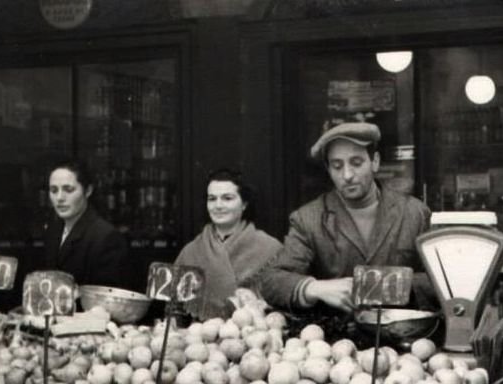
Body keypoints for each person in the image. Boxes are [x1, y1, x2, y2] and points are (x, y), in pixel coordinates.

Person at [259, 122, 433, 313]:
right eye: (337, 166)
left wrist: (379, 285)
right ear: (328, 170)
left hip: (403, 335)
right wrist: (314, 288)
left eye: (356, 163)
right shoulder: (308, 219)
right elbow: (271, 280)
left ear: (374, 162)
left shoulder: (414, 213)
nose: (347, 175)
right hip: (334, 338)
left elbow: (441, 282)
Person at [175, 169, 282, 319]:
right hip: (201, 337)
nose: (218, 205)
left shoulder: (270, 249)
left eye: (227, 198)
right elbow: (176, 311)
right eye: (212, 199)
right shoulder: (190, 252)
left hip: (255, 334)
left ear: (244, 204)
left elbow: (282, 303)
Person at [43, 160, 127, 288]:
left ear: (88, 191)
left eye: (68, 189)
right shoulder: (53, 230)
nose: (59, 198)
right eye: (54, 190)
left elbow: (107, 298)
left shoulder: (106, 237)